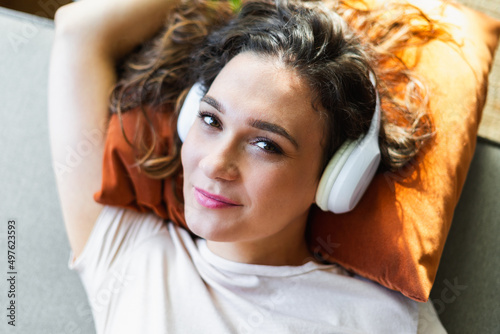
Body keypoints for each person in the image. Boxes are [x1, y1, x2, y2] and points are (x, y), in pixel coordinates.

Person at [49, 0, 447, 332]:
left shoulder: (379, 319)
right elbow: (77, 31)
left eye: (264, 144)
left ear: (337, 178)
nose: (216, 162)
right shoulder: (127, 252)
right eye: (210, 120)